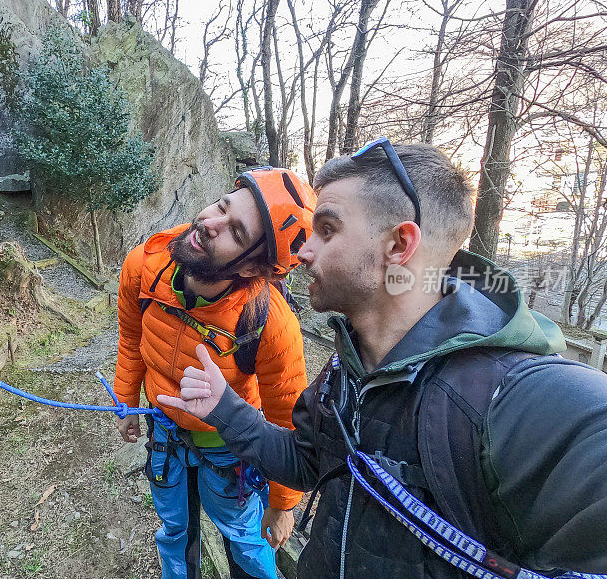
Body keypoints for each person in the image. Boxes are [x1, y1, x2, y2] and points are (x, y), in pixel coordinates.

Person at [159, 140, 607, 579]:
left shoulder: (514, 396)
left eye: (327, 230)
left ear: (398, 245)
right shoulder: (346, 370)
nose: (303, 252)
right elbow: (308, 464)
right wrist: (226, 409)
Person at [114, 167, 317, 579]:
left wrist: (282, 504)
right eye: (221, 206)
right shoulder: (145, 265)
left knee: (245, 539)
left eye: (235, 231)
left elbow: (288, 421)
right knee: (174, 532)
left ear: (249, 269)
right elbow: (131, 338)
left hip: (229, 449)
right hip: (165, 432)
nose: (208, 223)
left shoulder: (269, 323)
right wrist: (126, 400)